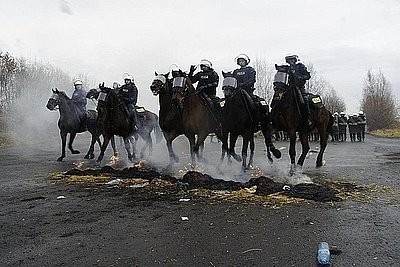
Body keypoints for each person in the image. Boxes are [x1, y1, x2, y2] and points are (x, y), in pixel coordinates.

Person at [189, 59, 221, 127]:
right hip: (199, 94)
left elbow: (215, 83)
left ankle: (216, 122)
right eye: (201, 66)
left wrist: (205, 86)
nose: (202, 67)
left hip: (210, 94)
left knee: (216, 105)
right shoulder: (199, 74)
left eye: (204, 66)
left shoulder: (213, 73)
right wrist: (191, 72)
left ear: (208, 66)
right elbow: (191, 81)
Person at [285, 54, 312, 127]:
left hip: (299, 87)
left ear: (295, 60)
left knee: (304, 99)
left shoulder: (300, 67)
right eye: (289, 60)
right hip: (289, 88)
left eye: (292, 59)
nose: (291, 61)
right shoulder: (286, 68)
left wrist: (301, 77)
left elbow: (308, 76)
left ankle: (307, 117)